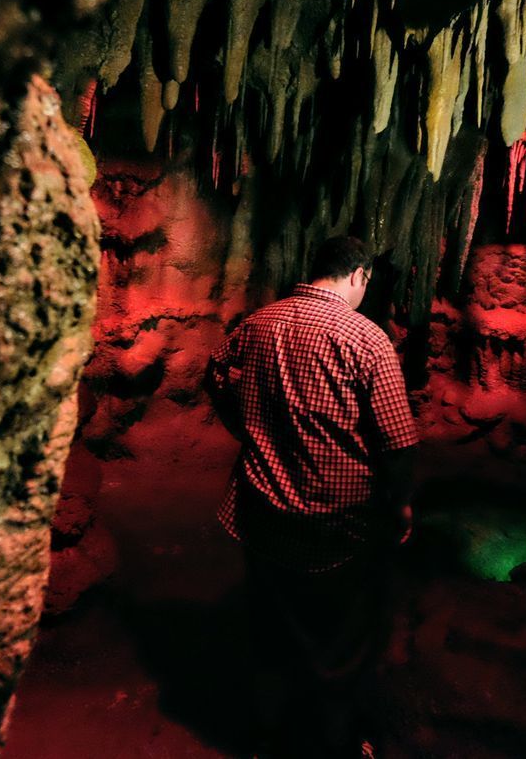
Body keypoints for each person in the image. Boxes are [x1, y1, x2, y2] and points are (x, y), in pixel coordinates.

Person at [204, 236, 418, 759]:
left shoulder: (255, 325)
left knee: (272, 631)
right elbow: (397, 441)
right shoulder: (368, 340)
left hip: (261, 511)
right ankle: (336, 744)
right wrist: (402, 504)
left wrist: (250, 431)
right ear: (359, 276)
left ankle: (267, 738)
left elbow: (215, 380)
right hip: (335, 526)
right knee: (340, 644)